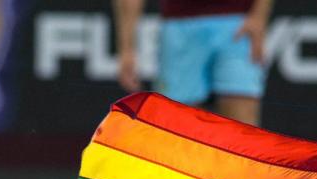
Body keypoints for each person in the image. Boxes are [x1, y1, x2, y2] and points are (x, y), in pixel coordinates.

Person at [113, 0, 273, 126]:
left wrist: (259, 16)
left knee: (244, 126)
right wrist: (127, 48)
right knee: (178, 125)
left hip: (237, 23)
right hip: (180, 24)